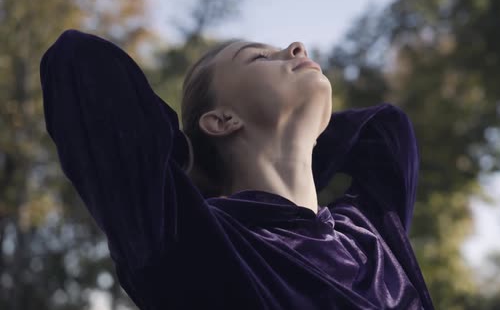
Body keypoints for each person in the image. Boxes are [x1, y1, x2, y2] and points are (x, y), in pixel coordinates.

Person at [40, 29, 434, 310]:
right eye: (261, 57)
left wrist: (300, 142)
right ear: (222, 120)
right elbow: (77, 59)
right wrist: (186, 161)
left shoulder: (367, 234)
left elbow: (388, 129)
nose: (296, 48)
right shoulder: (191, 239)